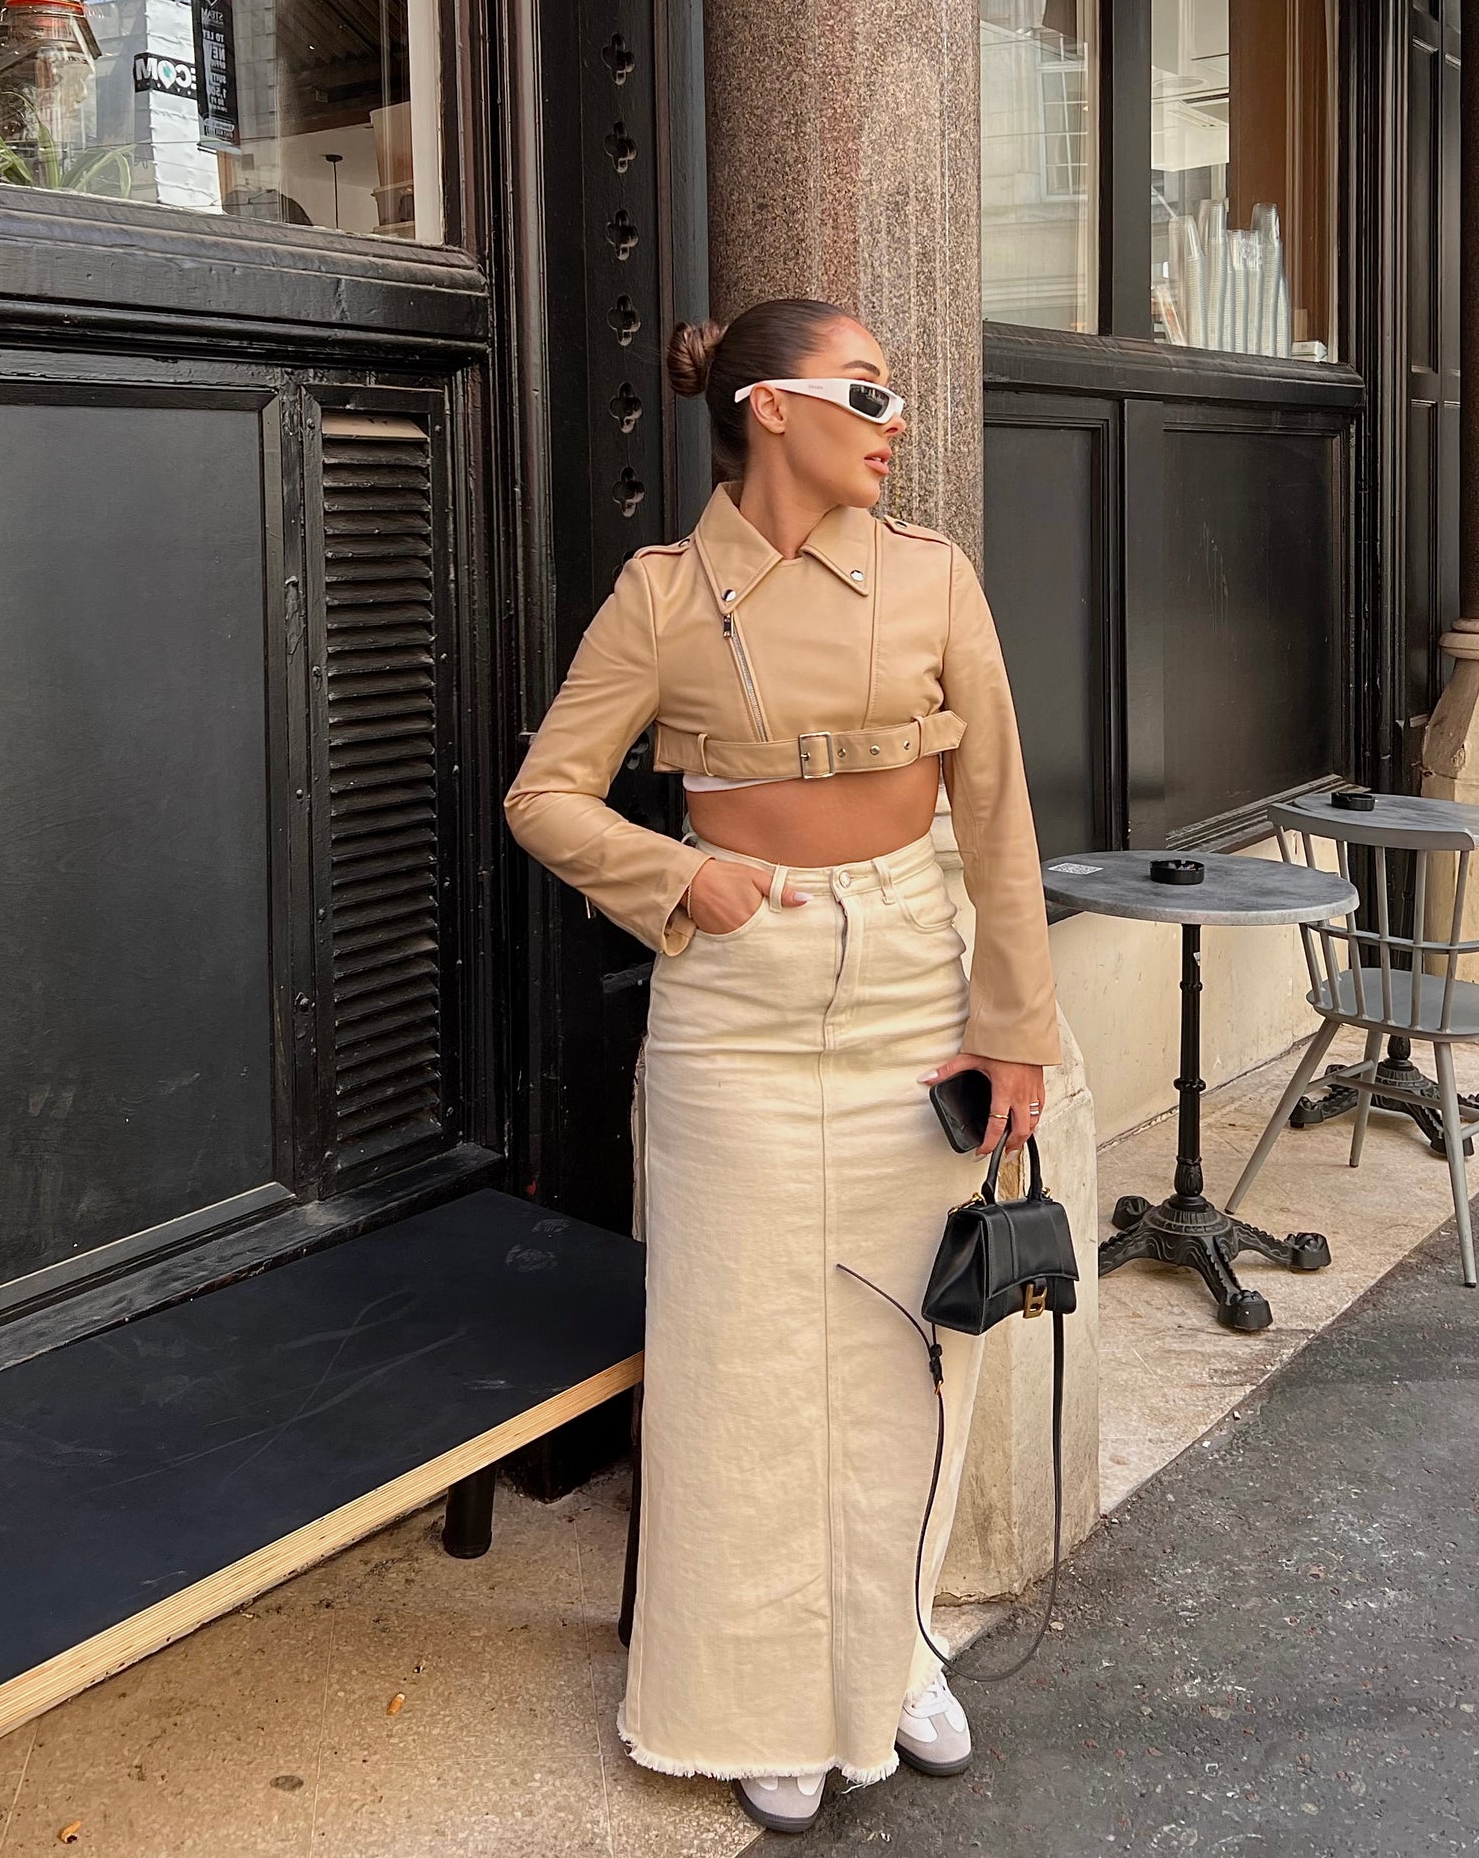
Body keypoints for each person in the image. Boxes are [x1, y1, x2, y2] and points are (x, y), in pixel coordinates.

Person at [505, 296, 1061, 1832]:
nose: (894, 423)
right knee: (739, 1359)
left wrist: (1017, 1022)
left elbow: (1001, 806)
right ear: (766, 405)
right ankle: (748, 1695)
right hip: (734, 1005)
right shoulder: (666, 595)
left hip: (913, 977)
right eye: (865, 392)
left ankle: (890, 1657)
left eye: (891, 397)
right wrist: (680, 879)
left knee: (903, 1347)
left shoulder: (937, 577)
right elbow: (544, 795)